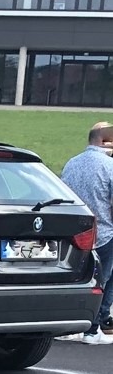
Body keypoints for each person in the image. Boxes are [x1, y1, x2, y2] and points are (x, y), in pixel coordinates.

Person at [61, 122, 113, 344]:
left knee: (74, 279)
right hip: (103, 232)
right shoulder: (109, 166)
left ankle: (66, 326)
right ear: (103, 141)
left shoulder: (71, 164)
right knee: (104, 279)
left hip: (74, 234)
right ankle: (94, 327)